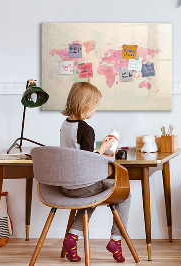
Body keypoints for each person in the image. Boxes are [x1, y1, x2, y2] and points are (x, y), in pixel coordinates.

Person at [60, 82, 130, 263]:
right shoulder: (86, 129)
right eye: (95, 106)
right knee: (125, 194)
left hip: (66, 186)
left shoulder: (65, 125)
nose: (95, 110)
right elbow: (88, 161)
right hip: (83, 186)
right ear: (86, 105)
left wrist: (100, 149)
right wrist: (105, 148)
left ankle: (72, 238)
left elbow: (77, 154)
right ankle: (116, 240)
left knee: (90, 197)